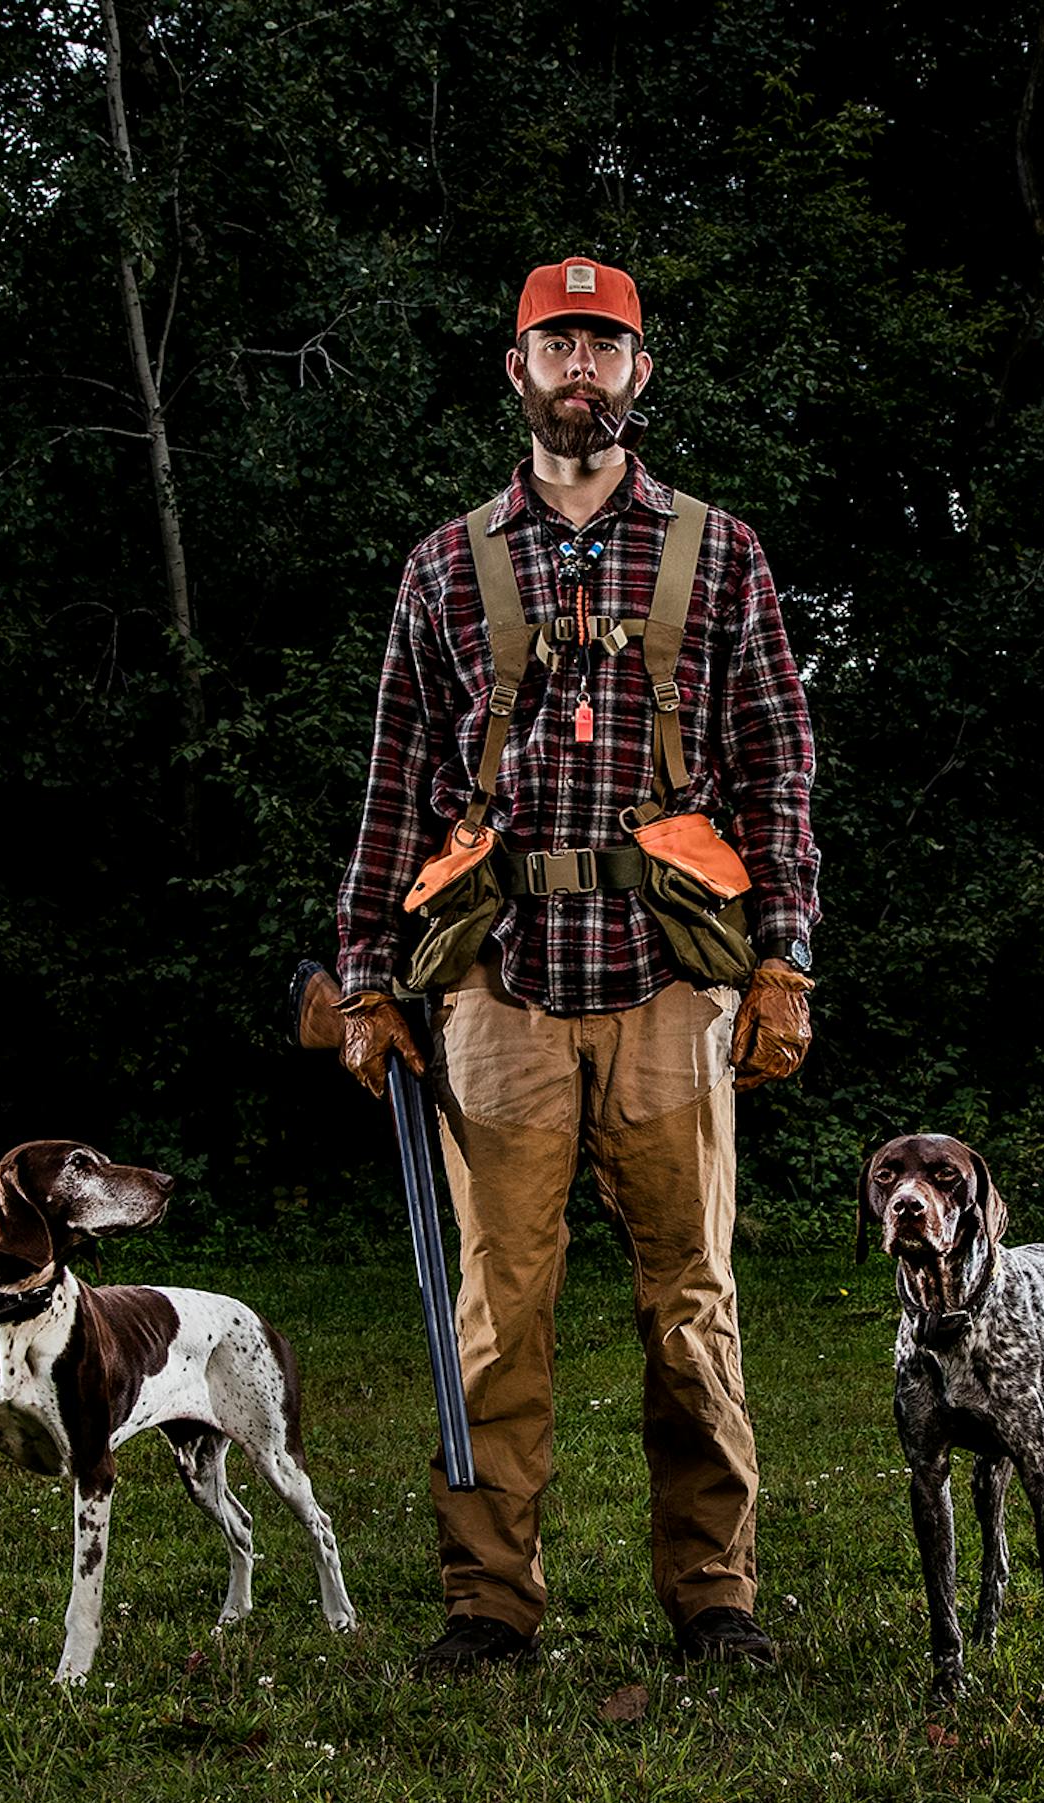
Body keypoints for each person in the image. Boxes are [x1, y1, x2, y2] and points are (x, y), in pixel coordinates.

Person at [334, 255, 820, 1673]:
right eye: (561, 343)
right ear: (519, 367)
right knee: (496, 1320)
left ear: (642, 376)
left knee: (693, 1309)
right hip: (496, 988)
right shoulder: (444, 564)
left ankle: (715, 1601)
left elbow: (781, 771)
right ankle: (489, 1608)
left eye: (608, 347)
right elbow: (394, 784)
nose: (584, 368)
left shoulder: (721, 554)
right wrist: (368, 975)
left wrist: (785, 959)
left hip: (676, 983)